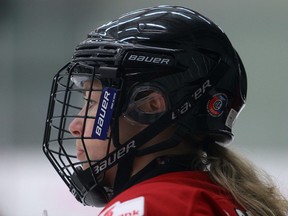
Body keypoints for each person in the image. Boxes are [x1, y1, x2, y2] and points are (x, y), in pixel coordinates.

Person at [43, 5, 288, 216]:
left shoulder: (147, 206)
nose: (74, 126)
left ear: (150, 107)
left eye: (93, 102)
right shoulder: (230, 200)